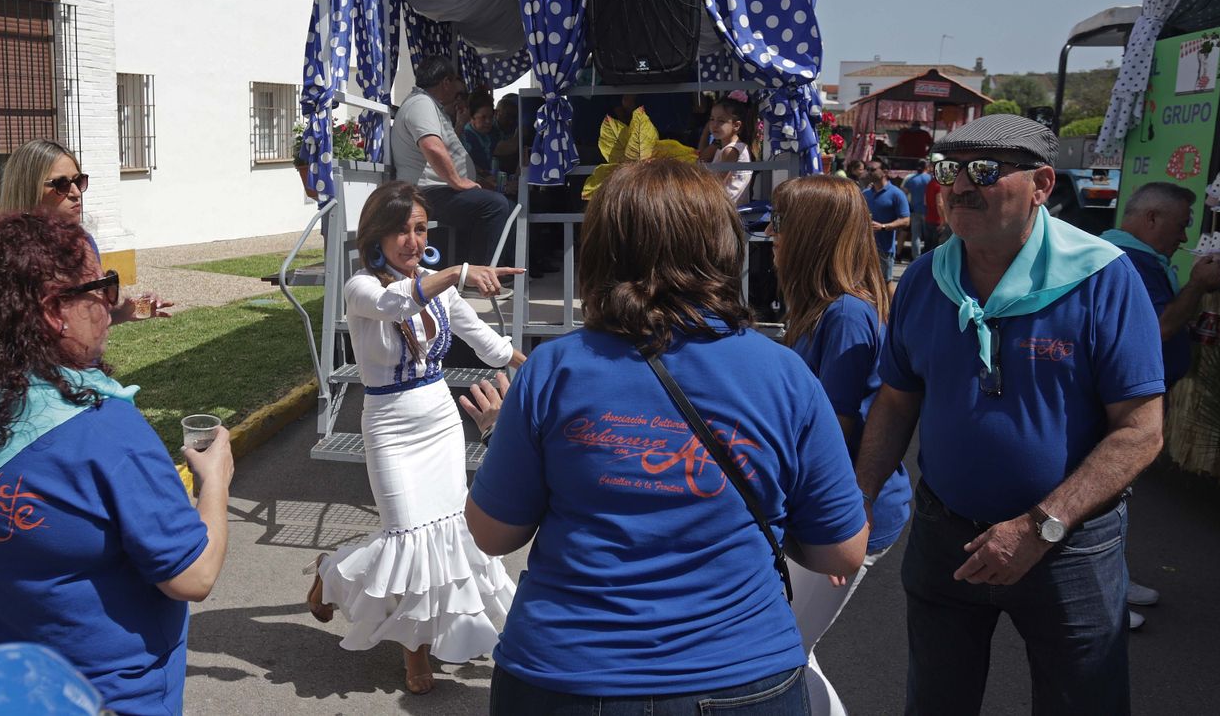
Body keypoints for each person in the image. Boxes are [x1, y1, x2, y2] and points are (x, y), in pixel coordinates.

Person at [465, 157, 870, 714]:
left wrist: (498, 439)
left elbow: (492, 534)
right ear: (721, 250)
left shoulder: (553, 369)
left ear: (603, 251)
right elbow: (843, 550)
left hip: (566, 674)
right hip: (742, 675)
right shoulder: (784, 375)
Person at [853, 113, 1166, 716]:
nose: (960, 187)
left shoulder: (1101, 278)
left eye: (986, 171)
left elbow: (1140, 432)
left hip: (1065, 547)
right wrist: (860, 497)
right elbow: (896, 400)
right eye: (949, 171)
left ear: (1042, 184)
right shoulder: (924, 279)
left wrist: (1039, 526)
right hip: (945, 537)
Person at [0, 211, 232, 715]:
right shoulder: (104, 431)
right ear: (53, 312)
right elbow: (192, 576)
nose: (111, 305)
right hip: (100, 697)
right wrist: (216, 481)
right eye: (104, 288)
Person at [306, 180, 525, 695]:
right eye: (400, 229)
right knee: (407, 535)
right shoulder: (361, 287)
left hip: (439, 420)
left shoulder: (437, 284)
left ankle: (417, 648)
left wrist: (542, 367)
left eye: (419, 228)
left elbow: (487, 343)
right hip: (389, 425)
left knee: (450, 534)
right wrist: (460, 273)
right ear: (377, 235)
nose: (410, 239)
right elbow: (395, 305)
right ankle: (333, 572)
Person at [770, 175, 912, 716]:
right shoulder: (821, 307)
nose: (770, 234)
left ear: (811, 233)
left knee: (782, 655)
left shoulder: (846, 314)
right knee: (793, 651)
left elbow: (834, 433)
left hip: (844, 510)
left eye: (782, 223)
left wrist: (837, 527)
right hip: (826, 510)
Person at [1102, 182, 1220, 629]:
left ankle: (1112, 578)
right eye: (1180, 224)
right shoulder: (1128, 261)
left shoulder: (1138, 259)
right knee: (1100, 494)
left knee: (1114, 495)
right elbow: (1155, 330)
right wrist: (1196, 285)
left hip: (1130, 399)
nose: (1185, 235)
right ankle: (1099, 597)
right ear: (1152, 219)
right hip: (1118, 404)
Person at [0, 139, 169, 323]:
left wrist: (123, 313)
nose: (76, 193)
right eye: (61, 184)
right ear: (28, 189)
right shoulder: (6, 256)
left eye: (78, 181)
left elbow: (83, 321)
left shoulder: (84, 243)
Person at [391, 57, 514, 276]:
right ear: (446, 82)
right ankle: (480, 278)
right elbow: (432, 146)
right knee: (494, 205)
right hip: (424, 193)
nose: (460, 87)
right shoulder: (421, 103)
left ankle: (467, 273)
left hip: (433, 190)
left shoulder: (427, 104)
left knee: (492, 202)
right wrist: (458, 182)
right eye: (457, 81)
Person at [698, 91, 757, 205]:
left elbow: (717, 183)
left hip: (727, 207)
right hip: (723, 203)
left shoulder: (730, 150)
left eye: (721, 121)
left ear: (736, 125)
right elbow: (702, 156)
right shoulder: (722, 145)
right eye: (712, 119)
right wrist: (706, 131)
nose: (714, 125)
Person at [860, 159, 910, 281]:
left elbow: (905, 220)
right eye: (868, 169)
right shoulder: (865, 194)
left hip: (884, 249)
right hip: (864, 248)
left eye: (873, 169)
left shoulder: (896, 194)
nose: (869, 172)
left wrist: (883, 226)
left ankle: (892, 301)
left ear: (885, 172)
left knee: (885, 283)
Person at [461, 91, 501, 187]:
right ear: (472, 117)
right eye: (483, 117)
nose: (488, 121)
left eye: (491, 117)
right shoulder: (465, 137)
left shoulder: (494, 132)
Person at [903, 159, 934, 261]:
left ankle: (916, 258)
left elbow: (904, 193)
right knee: (928, 236)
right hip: (928, 211)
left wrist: (908, 206)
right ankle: (927, 258)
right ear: (927, 167)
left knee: (915, 235)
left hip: (915, 210)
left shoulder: (911, 180)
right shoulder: (930, 178)